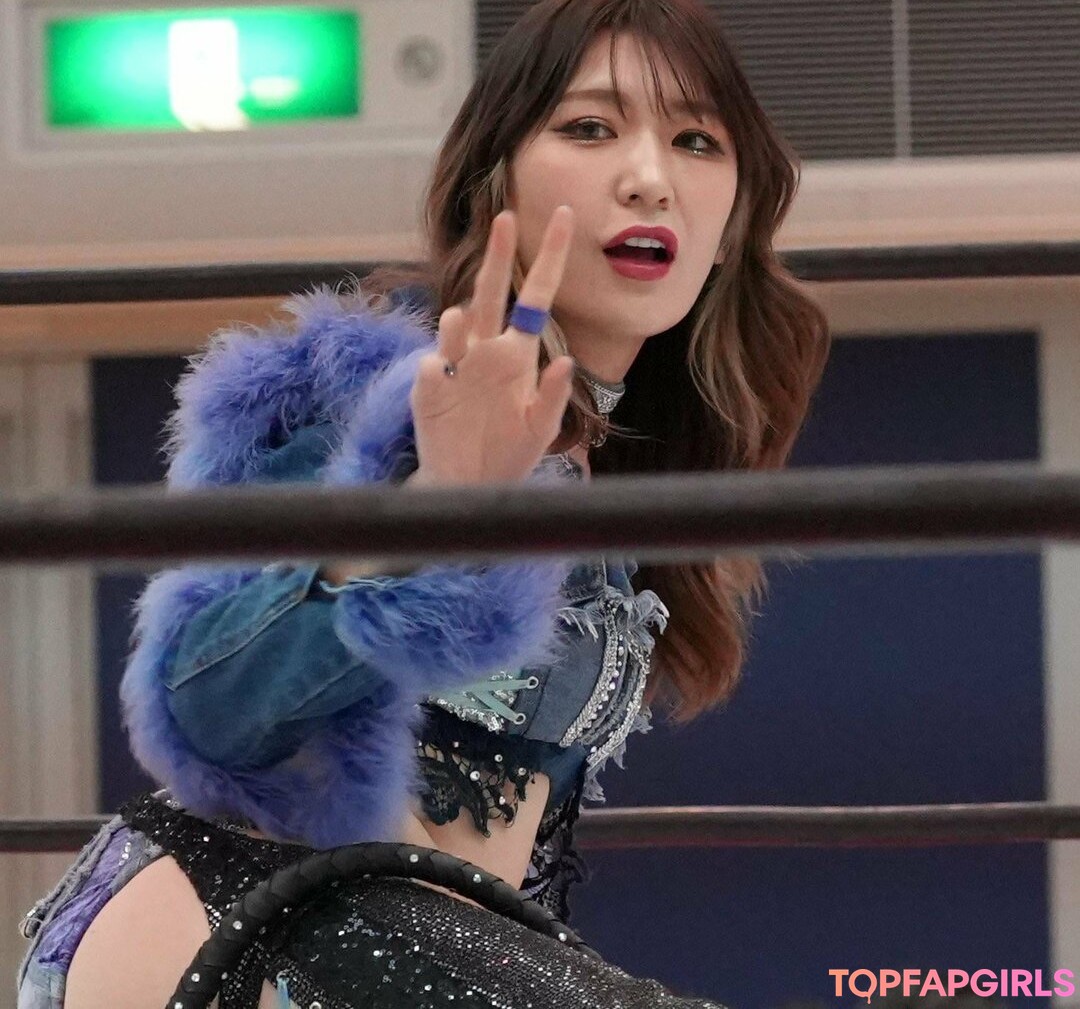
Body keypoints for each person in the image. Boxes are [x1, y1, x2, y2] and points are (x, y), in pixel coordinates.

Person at [16, 0, 830, 1006]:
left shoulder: (623, 472)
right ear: (497, 179)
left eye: (697, 141)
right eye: (590, 127)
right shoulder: (381, 392)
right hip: (233, 920)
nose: (649, 178)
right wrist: (427, 513)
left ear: (733, 223)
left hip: (413, 949)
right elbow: (206, 703)